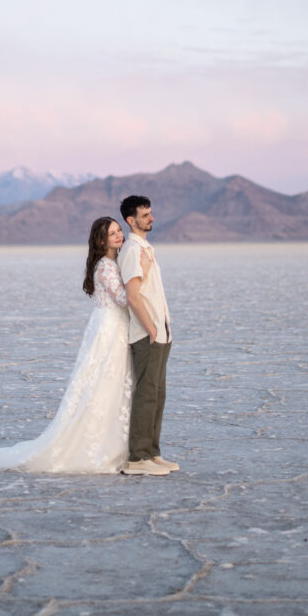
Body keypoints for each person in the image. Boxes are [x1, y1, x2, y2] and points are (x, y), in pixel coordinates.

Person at [0, 217, 144, 474]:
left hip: (111, 327)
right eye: (112, 233)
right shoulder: (106, 266)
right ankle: (100, 448)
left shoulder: (111, 263)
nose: (118, 236)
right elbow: (124, 299)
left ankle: (116, 445)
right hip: (110, 331)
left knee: (110, 385)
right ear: (101, 240)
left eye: (119, 231)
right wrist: (142, 281)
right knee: (103, 386)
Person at [118, 195, 178, 477]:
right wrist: (151, 328)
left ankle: (152, 453)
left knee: (157, 394)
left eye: (151, 213)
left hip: (160, 332)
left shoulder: (145, 247)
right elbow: (132, 295)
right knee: (146, 394)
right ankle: (137, 458)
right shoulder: (132, 249)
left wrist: (162, 327)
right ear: (131, 221)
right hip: (147, 334)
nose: (151, 218)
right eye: (145, 215)